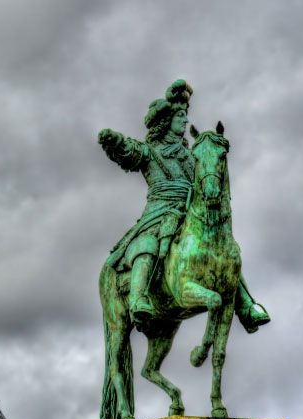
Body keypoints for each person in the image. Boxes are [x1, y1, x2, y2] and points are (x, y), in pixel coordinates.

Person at [98, 79, 269, 333]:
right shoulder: (150, 151)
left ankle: (246, 305)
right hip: (160, 212)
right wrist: (114, 141)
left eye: (185, 116)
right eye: (180, 116)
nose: (185, 121)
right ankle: (138, 298)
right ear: (166, 121)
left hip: (191, 210)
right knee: (147, 244)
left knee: (224, 249)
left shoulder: (192, 155)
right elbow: (129, 151)